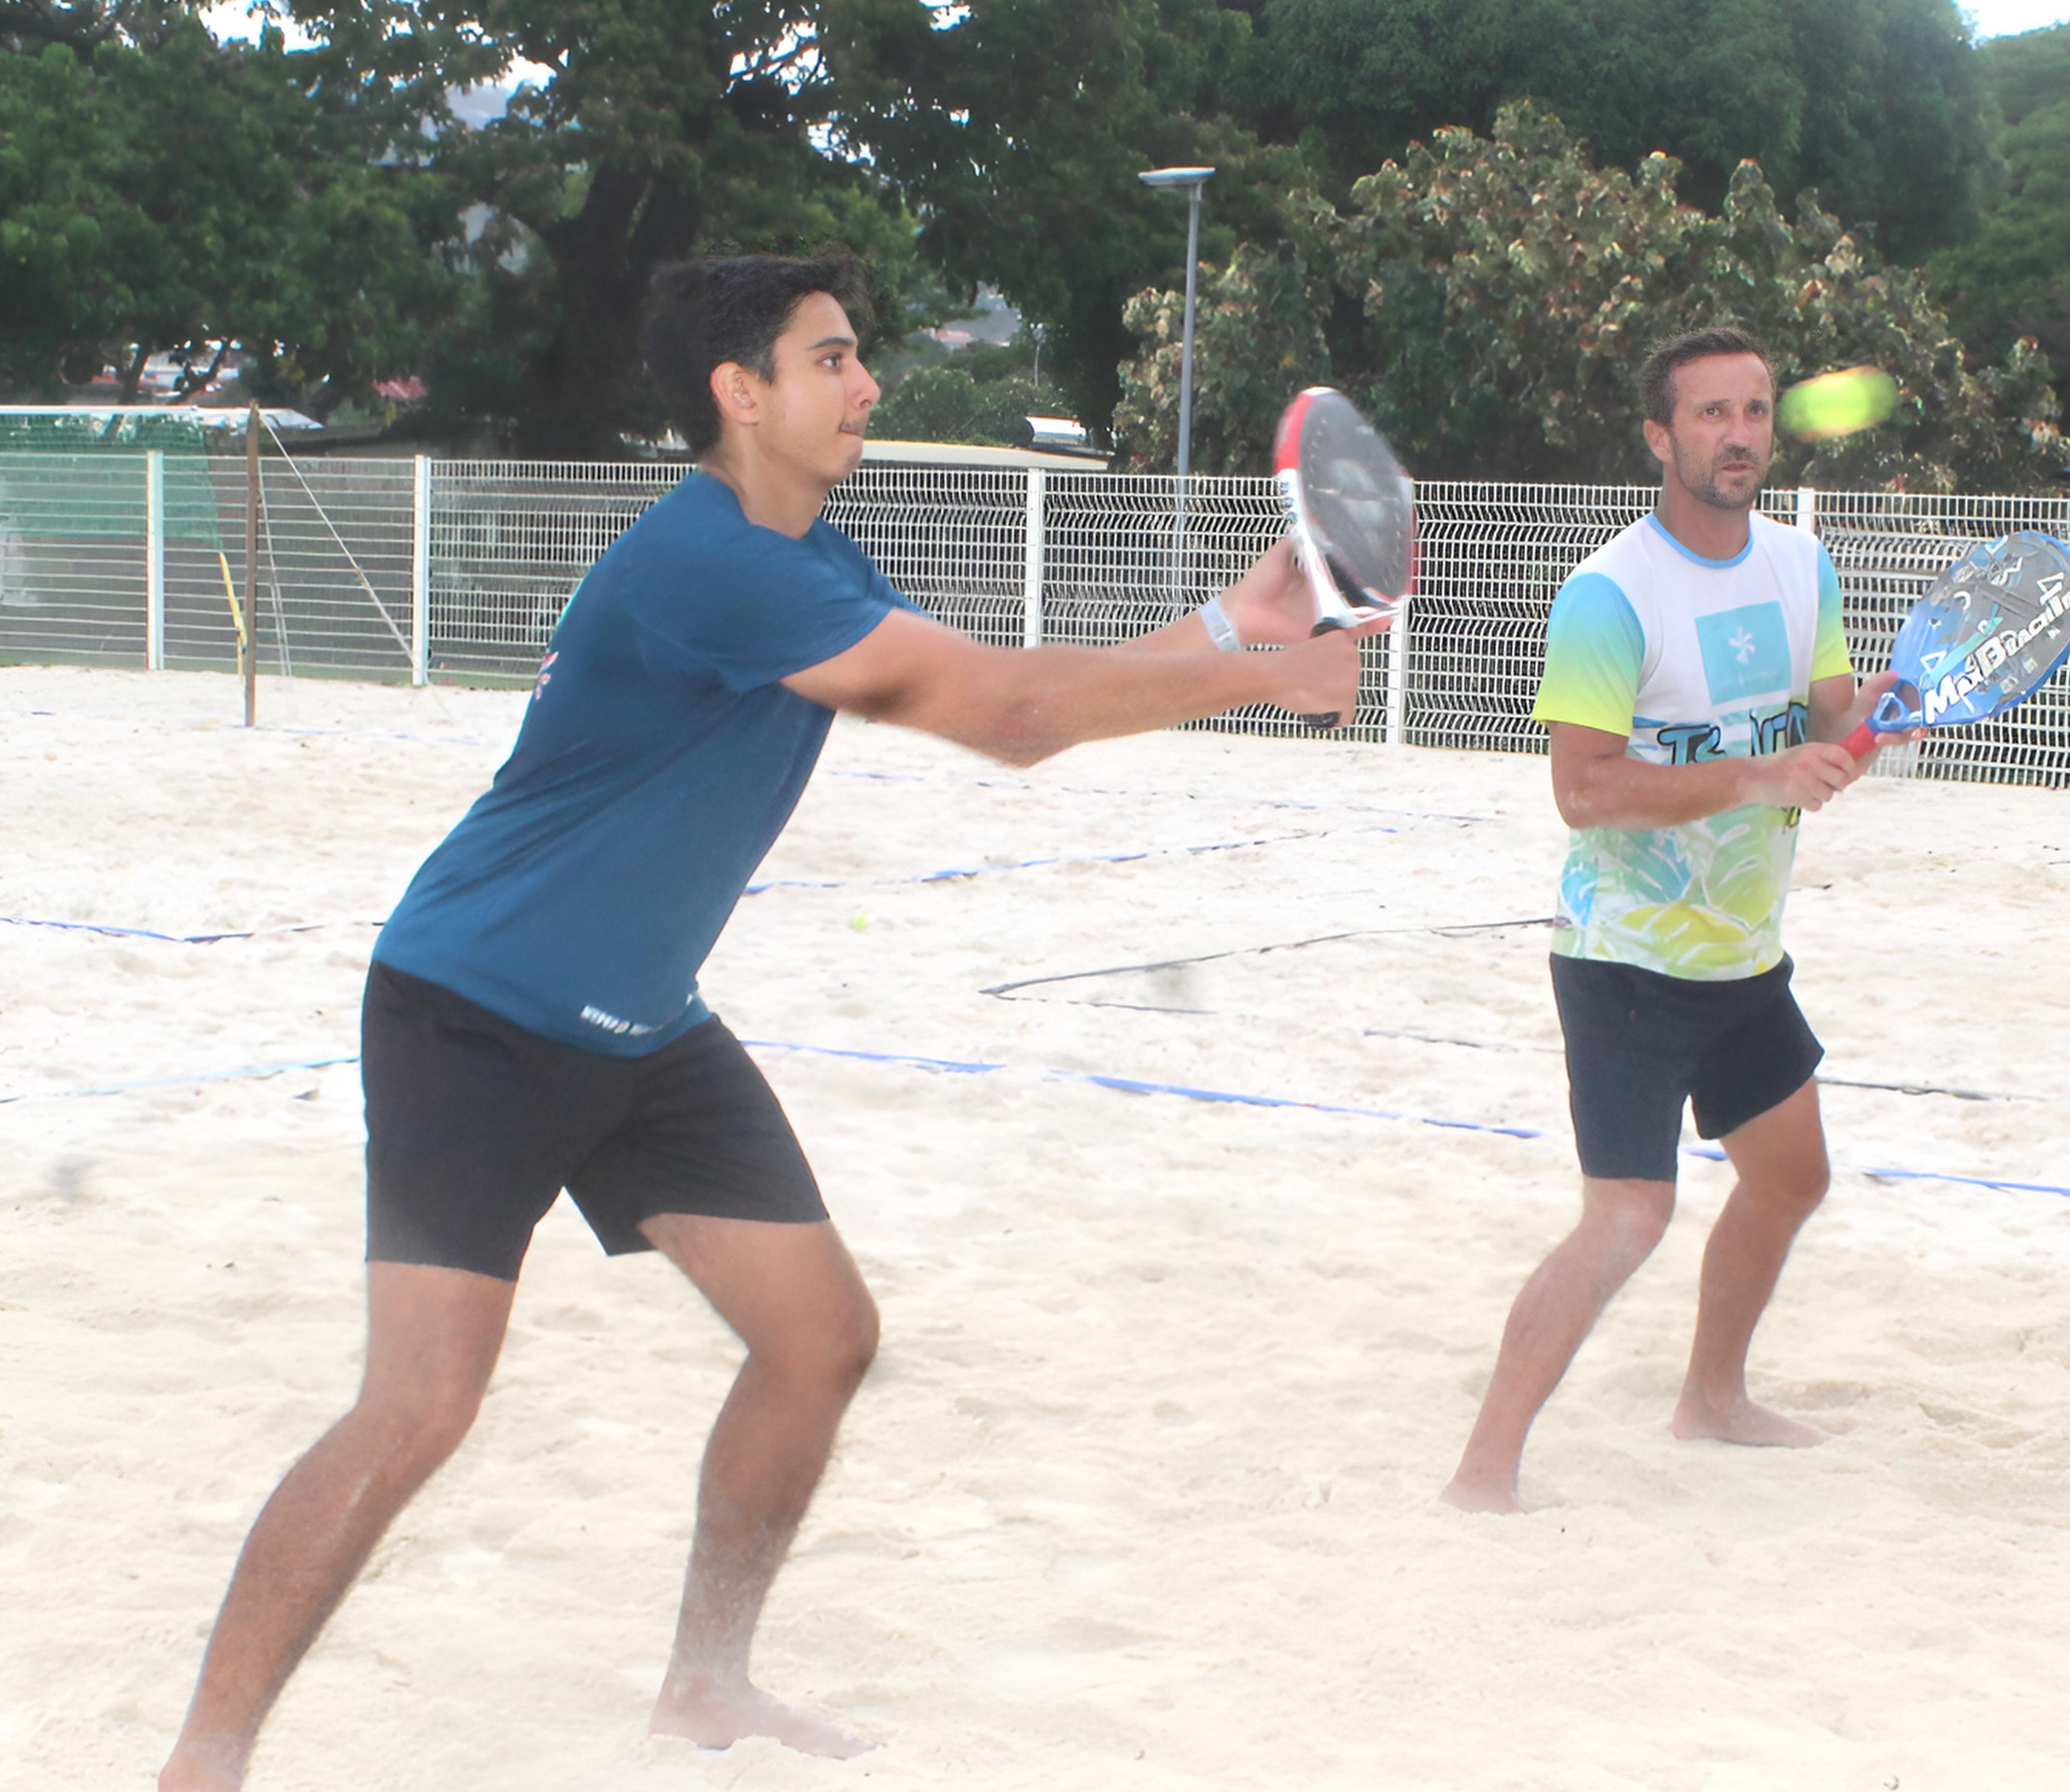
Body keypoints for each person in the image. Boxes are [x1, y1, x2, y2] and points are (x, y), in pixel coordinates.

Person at [159, 249, 1366, 1790]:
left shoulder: (810, 558)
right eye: (833, 358)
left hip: (639, 1028)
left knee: (819, 1341)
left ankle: (707, 1683)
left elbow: (1004, 684)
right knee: (418, 1410)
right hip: (477, 1011)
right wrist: (1264, 675)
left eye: (860, 356)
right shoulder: (709, 563)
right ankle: (203, 1762)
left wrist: (1243, 622)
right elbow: (1011, 721)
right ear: (741, 393)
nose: (869, 384)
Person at [1441, 328, 1905, 1516]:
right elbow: (1582, 791)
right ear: (1659, 437)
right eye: (1709, 413)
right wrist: (1758, 776)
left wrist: (1882, 714)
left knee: (1789, 1179)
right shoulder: (1609, 595)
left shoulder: (1801, 566)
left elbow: (1826, 725)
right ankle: (1481, 1476)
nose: (1737, 434)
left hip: (1743, 954)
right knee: (1626, 1219)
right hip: (1627, 959)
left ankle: (1710, 1400)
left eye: (1754, 410)